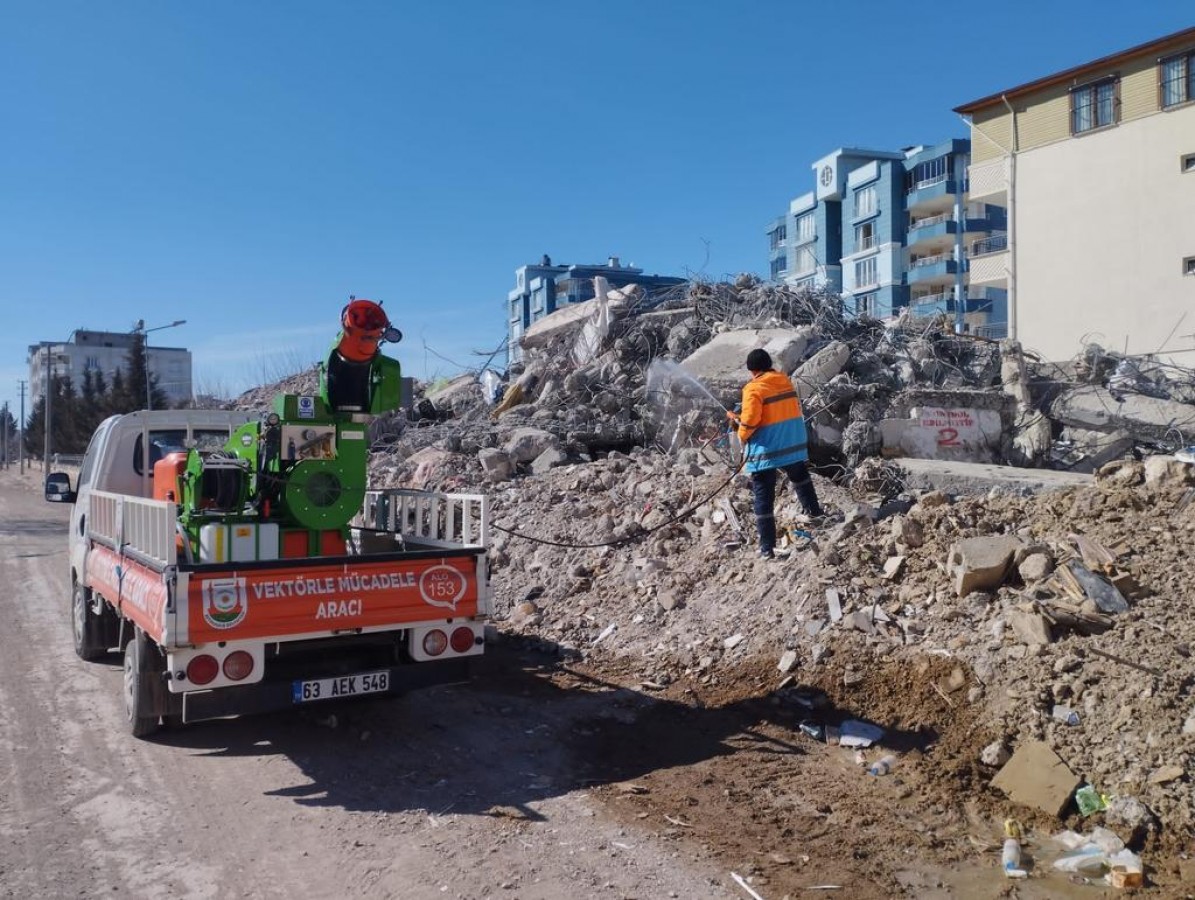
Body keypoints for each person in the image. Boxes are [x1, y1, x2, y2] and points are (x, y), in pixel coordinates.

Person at [727, 348, 825, 558]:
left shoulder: (753, 388)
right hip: (792, 442)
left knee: (763, 495)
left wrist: (740, 430)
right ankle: (816, 515)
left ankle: (767, 548)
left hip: (769, 448)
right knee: (800, 477)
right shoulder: (784, 381)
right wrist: (741, 419)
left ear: (752, 370)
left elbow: (752, 420)